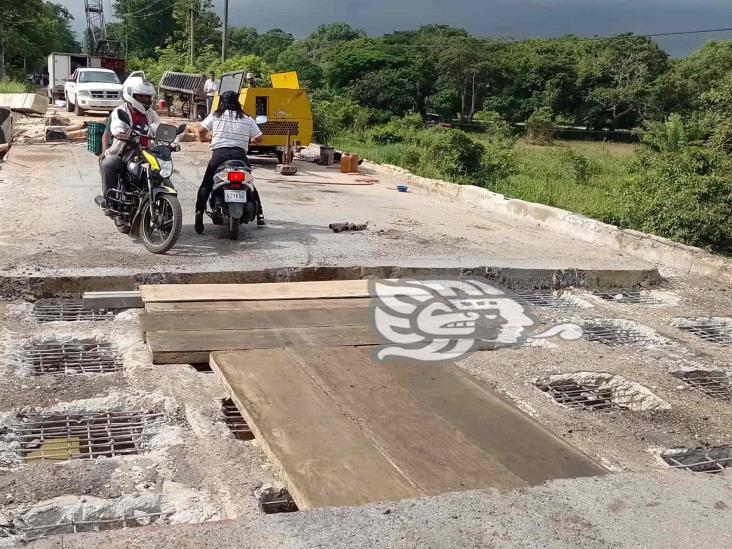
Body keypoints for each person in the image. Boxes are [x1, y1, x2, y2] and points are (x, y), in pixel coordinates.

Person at [193, 90, 265, 233]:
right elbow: (260, 138)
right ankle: (260, 215)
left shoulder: (215, 116)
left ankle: (199, 213)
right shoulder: (247, 118)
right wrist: (250, 140)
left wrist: (205, 138)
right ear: (237, 101)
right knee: (249, 183)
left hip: (219, 155)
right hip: (240, 156)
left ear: (221, 102)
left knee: (206, 184)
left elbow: (200, 130)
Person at [96, 76, 159, 211]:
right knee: (108, 164)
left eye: (147, 97)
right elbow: (115, 127)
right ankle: (109, 201)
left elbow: (158, 128)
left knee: (161, 171)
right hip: (123, 152)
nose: (146, 100)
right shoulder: (120, 111)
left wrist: (169, 136)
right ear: (131, 95)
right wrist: (119, 133)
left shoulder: (151, 114)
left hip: (146, 153)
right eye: (141, 97)